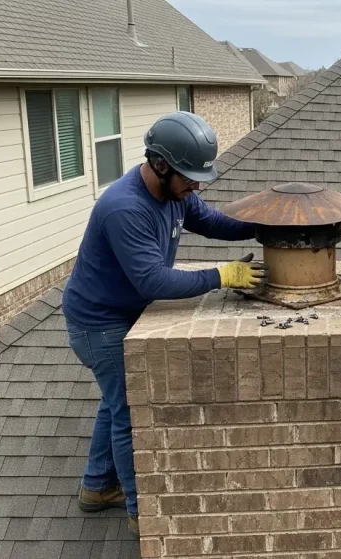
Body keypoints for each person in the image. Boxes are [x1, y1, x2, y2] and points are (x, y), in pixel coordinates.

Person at [61, 112, 267, 535]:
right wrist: (220, 276)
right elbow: (152, 279)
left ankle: (96, 487)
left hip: (120, 312)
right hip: (98, 323)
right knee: (128, 412)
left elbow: (210, 222)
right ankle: (141, 514)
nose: (197, 185)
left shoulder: (175, 193)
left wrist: (267, 224)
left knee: (114, 400)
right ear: (160, 165)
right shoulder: (124, 207)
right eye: (190, 177)